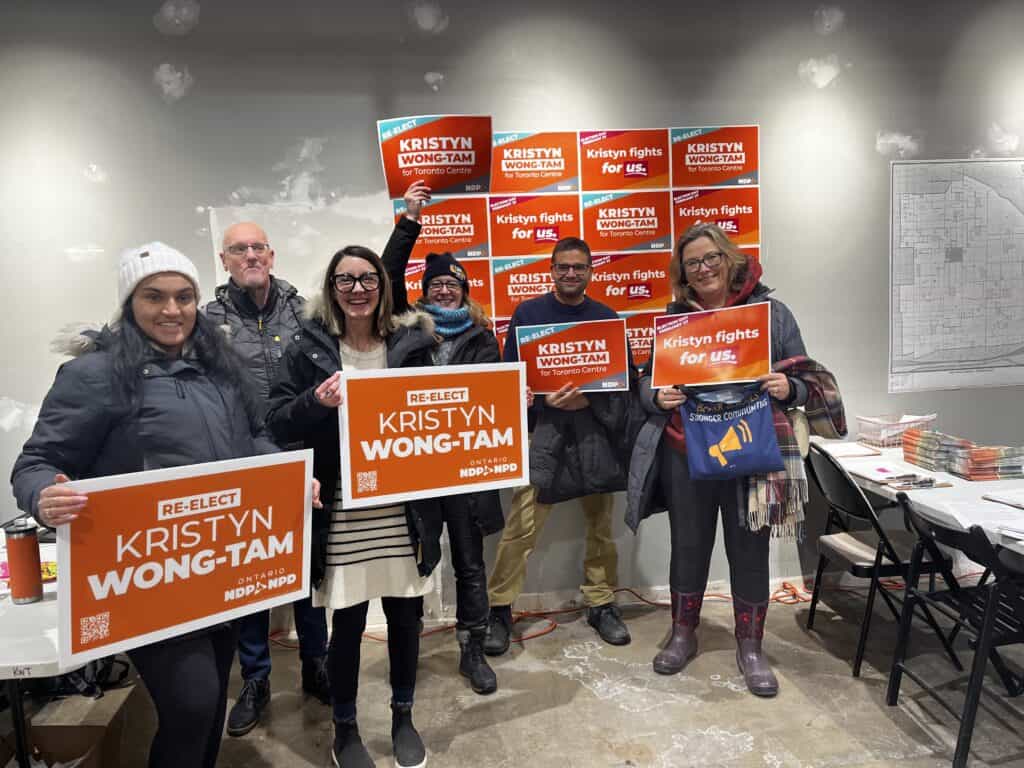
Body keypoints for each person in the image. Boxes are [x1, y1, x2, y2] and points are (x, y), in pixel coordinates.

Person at [11, 243, 290, 768]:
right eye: (154, 296)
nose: (172, 310)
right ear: (129, 302)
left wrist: (286, 480)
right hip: (147, 576)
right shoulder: (94, 375)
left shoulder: (220, 368)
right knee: (191, 705)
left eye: (184, 296)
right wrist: (45, 497)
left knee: (207, 711)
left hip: (218, 565)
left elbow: (253, 437)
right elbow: (35, 463)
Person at [626, 222, 844, 697]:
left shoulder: (772, 314)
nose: (703, 269)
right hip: (686, 450)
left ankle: (751, 646)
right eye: (692, 264)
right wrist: (654, 395)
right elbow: (644, 383)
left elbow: (805, 376)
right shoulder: (674, 319)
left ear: (729, 259)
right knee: (688, 545)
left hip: (753, 448)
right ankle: (683, 633)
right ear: (682, 274)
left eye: (711, 258)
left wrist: (792, 389)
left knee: (749, 548)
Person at [266, 233, 442, 768]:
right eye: (346, 279)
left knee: (406, 618)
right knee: (347, 622)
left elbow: (444, 413)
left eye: (368, 279)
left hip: (403, 507)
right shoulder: (308, 348)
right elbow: (275, 418)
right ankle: (345, 727)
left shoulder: (413, 346)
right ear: (332, 288)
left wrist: (504, 403)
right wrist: (315, 402)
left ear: (383, 287)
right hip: (343, 509)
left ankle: (403, 716)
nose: (358, 288)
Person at [204, 221, 330, 735]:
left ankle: (315, 665)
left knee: (307, 569)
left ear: (272, 255)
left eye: (258, 247)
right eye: (240, 249)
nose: (251, 255)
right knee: (250, 577)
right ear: (225, 259)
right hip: (242, 460)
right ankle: (255, 678)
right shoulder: (206, 321)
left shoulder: (306, 312)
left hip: (305, 454)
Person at [484, 237, 634, 656]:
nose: (571, 274)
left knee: (601, 528)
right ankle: (499, 609)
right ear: (551, 270)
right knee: (521, 527)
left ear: (590, 271)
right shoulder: (528, 315)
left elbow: (622, 383)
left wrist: (591, 398)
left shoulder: (606, 318)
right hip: (543, 433)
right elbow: (511, 379)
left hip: (592, 434)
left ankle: (601, 602)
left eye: (579, 267)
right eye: (563, 267)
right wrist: (542, 399)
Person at [383, 180, 504, 695]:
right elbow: (386, 276)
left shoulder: (483, 338)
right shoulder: (402, 329)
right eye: (435, 284)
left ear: (464, 291)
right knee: (414, 557)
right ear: (424, 290)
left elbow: (496, 401)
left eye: (453, 284)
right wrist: (409, 222)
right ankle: (406, 653)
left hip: (468, 474)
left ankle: (472, 648)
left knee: (471, 563)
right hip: (415, 468)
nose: (444, 290)